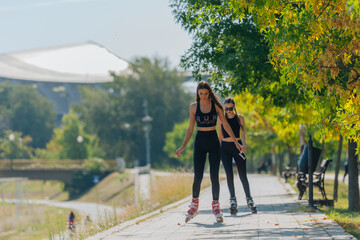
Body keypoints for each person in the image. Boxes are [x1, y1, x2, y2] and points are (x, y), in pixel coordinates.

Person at [176, 81, 242, 223]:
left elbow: (225, 125)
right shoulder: (193, 107)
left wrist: (236, 142)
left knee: (214, 176)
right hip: (200, 141)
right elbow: (190, 128)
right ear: (197, 94)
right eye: (201, 94)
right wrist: (182, 147)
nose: (204, 96)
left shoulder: (217, 106)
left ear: (209, 93)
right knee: (198, 176)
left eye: (206, 94)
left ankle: (216, 207)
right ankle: (194, 206)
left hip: (213, 142)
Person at [218, 97, 257, 214]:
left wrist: (244, 144)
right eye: (226, 108)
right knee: (229, 175)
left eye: (230, 108)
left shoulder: (240, 118)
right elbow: (220, 136)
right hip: (225, 147)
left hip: (238, 147)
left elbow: (243, 133)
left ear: (234, 107)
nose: (229, 111)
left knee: (242, 174)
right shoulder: (221, 119)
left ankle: (249, 199)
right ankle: (233, 200)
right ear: (224, 108)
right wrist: (220, 153)